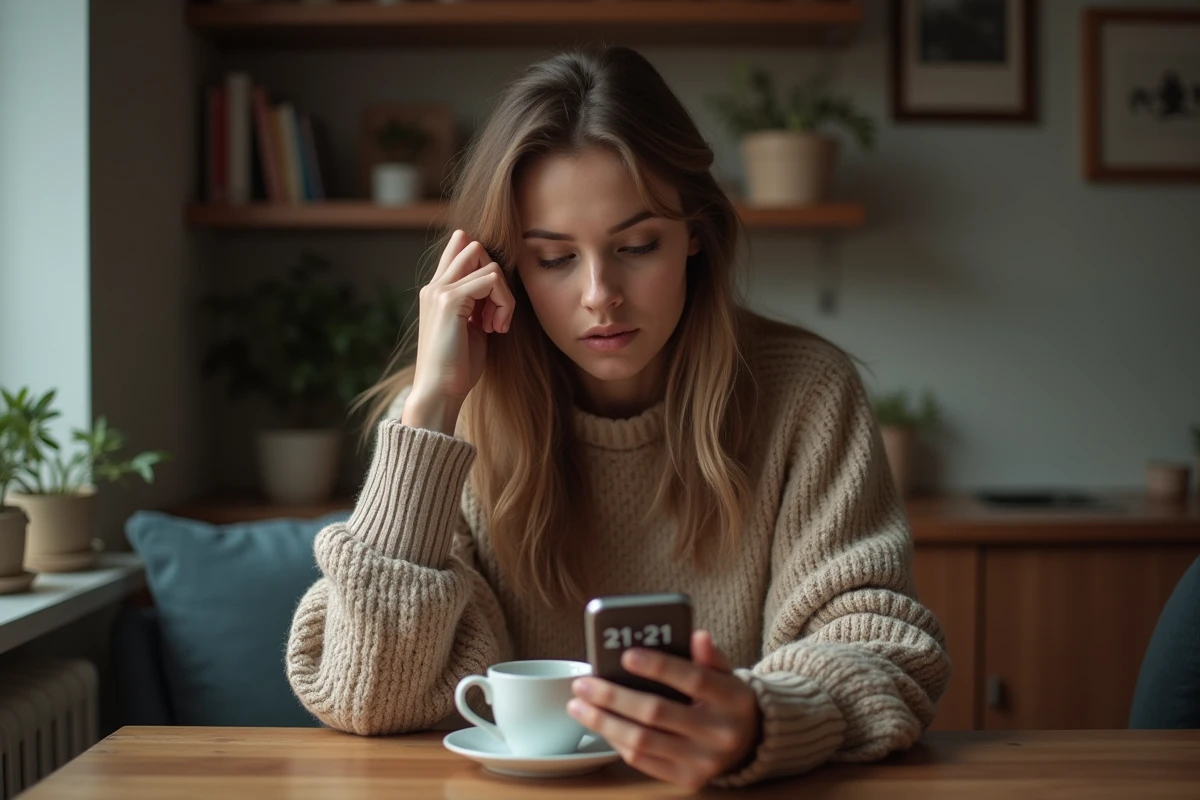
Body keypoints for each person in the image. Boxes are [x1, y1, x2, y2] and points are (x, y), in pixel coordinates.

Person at [286, 46, 950, 789]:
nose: (600, 294)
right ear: (503, 268)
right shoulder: (452, 420)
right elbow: (367, 695)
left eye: (636, 245)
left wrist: (763, 720)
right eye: (554, 259)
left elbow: (882, 648)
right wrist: (433, 408)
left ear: (695, 233)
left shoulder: (806, 395)